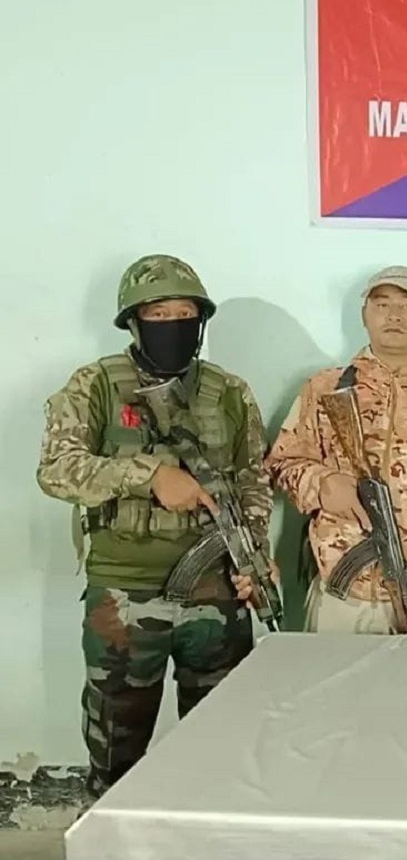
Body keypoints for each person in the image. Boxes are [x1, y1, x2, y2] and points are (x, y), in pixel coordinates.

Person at [36, 254, 275, 798]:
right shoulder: (95, 384)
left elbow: (253, 482)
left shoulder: (229, 391)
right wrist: (148, 475)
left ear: (200, 321)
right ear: (134, 322)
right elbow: (55, 469)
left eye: (184, 314)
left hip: (217, 594)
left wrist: (254, 558)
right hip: (124, 596)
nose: (173, 324)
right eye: (159, 314)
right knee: (117, 750)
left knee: (221, 747)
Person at [266, 265, 407, 635]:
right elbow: (282, 462)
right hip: (340, 591)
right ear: (364, 315)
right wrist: (321, 483)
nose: (394, 315)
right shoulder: (326, 387)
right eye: (382, 304)